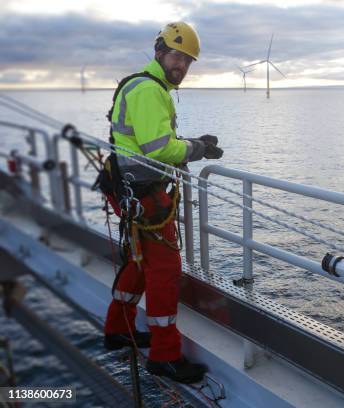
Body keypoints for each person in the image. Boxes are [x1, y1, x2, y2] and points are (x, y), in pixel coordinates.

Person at [100, 21, 223, 384]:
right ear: (159, 51)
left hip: (131, 189)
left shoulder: (143, 86)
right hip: (144, 195)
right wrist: (197, 148)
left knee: (140, 261)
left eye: (187, 60)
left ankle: (118, 329)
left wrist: (189, 142)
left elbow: (150, 141)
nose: (181, 66)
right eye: (176, 56)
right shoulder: (150, 90)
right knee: (165, 269)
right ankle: (165, 356)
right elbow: (160, 149)